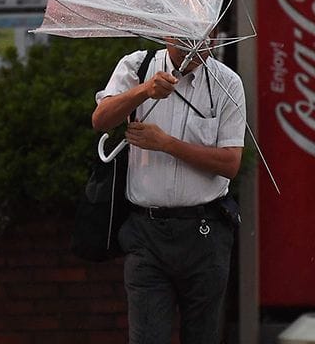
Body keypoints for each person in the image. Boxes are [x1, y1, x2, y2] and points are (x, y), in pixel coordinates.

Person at [92, 38, 245, 344]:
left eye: (205, 35)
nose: (197, 45)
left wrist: (167, 144)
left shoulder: (227, 83)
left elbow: (230, 163)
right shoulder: (137, 66)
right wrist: (143, 91)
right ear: (167, 34)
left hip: (205, 232)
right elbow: (101, 119)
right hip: (146, 232)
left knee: (203, 336)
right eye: (185, 35)